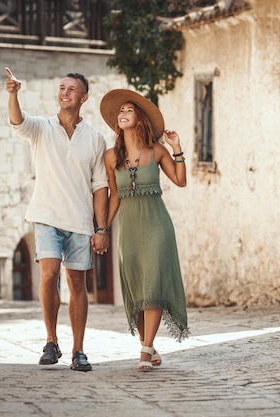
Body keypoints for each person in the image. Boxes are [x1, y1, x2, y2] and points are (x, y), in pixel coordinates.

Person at [5, 67, 110, 372]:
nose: (64, 92)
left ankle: (78, 350)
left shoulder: (95, 139)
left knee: (78, 282)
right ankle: (51, 341)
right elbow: (18, 121)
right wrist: (13, 95)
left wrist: (101, 228)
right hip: (46, 215)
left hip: (79, 220)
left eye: (71, 89)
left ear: (83, 97)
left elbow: (100, 186)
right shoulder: (41, 127)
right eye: (62, 88)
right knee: (49, 273)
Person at [100, 89, 190, 371]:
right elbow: (114, 195)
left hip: (157, 227)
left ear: (139, 119)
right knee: (137, 290)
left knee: (152, 284)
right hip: (128, 229)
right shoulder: (111, 156)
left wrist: (177, 147)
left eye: (129, 110)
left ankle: (145, 349)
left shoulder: (157, 150)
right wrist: (102, 228)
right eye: (120, 112)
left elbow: (180, 180)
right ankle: (148, 345)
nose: (123, 114)